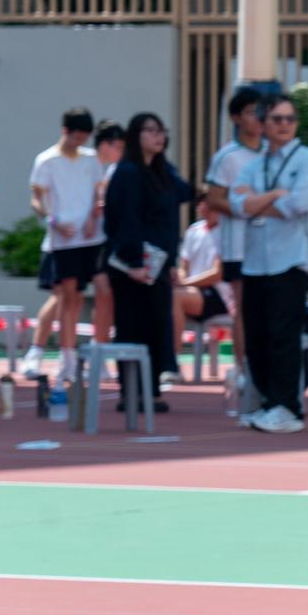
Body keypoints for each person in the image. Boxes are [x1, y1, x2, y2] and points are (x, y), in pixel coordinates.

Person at [228, 95, 308, 435]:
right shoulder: (254, 165)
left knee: (284, 336)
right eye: (277, 119)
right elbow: (237, 205)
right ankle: (269, 403)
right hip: (255, 261)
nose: (285, 125)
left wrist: (258, 201)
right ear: (263, 124)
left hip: (290, 260)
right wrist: (274, 196)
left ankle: (288, 407)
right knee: (257, 336)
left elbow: (300, 203)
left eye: (290, 119)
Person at [104, 114, 191, 412]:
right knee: (131, 326)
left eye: (161, 131)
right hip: (133, 265)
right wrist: (133, 262)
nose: (158, 136)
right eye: (151, 131)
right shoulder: (127, 171)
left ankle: (151, 390)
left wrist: (171, 262)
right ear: (135, 135)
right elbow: (125, 219)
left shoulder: (163, 171)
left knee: (156, 325)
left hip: (158, 263)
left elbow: (182, 196)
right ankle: (130, 392)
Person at [26, 108, 105, 385]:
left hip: (90, 238)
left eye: (85, 136)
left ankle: (70, 354)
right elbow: (36, 199)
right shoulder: (46, 160)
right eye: (76, 135)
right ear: (65, 131)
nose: (80, 141)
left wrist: (95, 214)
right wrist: (52, 220)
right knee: (65, 295)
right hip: (63, 238)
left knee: (79, 296)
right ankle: (64, 356)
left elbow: (98, 191)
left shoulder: (91, 159)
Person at [206, 87, 268, 396]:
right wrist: (244, 207)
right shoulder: (227, 156)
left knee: (268, 308)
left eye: (261, 111)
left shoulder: (274, 152)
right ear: (235, 117)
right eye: (250, 112)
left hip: (272, 244)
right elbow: (213, 199)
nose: (258, 118)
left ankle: (266, 369)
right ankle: (244, 370)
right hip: (239, 245)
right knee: (244, 308)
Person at [173, 198, 234, 375]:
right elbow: (184, 267)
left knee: (176, 297)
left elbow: (217, 274)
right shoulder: (193, 230)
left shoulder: (226, 232)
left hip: (220, 295)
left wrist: (186, 283)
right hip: (193, 292)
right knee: (165, 296)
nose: (206, 208)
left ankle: (172, 361)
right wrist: (181, 279)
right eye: (203, 203)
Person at [89, 121, 126, 357]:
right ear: (104, 144)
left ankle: (100, 350)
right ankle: (96, 351)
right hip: (88, 241)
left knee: (106, 295)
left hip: (106, 240)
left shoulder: (115, 169)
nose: (121, 151)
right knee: (67, 294)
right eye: (118, 146)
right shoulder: (89, 164)